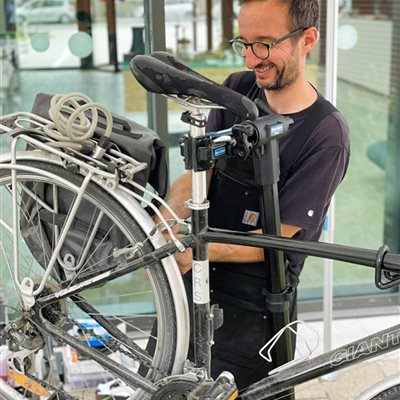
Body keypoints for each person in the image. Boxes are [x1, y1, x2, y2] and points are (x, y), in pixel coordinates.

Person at [157, 0, 350, 389]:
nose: (250, 59)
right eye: (243, 43)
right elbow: (197, 175)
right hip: (196, 279)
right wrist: (166, 224)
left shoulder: (325, 135)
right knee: (167, 383)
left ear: (307, 39)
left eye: (264, 43)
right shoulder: (237, 90)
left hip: (258, 308)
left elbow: (278, 241)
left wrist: (194, 250)